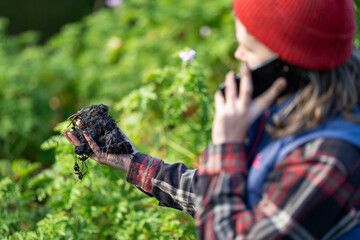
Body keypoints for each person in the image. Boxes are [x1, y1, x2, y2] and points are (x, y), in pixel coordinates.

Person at [64, 0, 360, 239]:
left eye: (249, 48)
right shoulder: (288, 103)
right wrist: (131, 161)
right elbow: (225, 194)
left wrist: (226, 147)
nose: (237, 53)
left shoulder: (328, 158)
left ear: (289, 65)